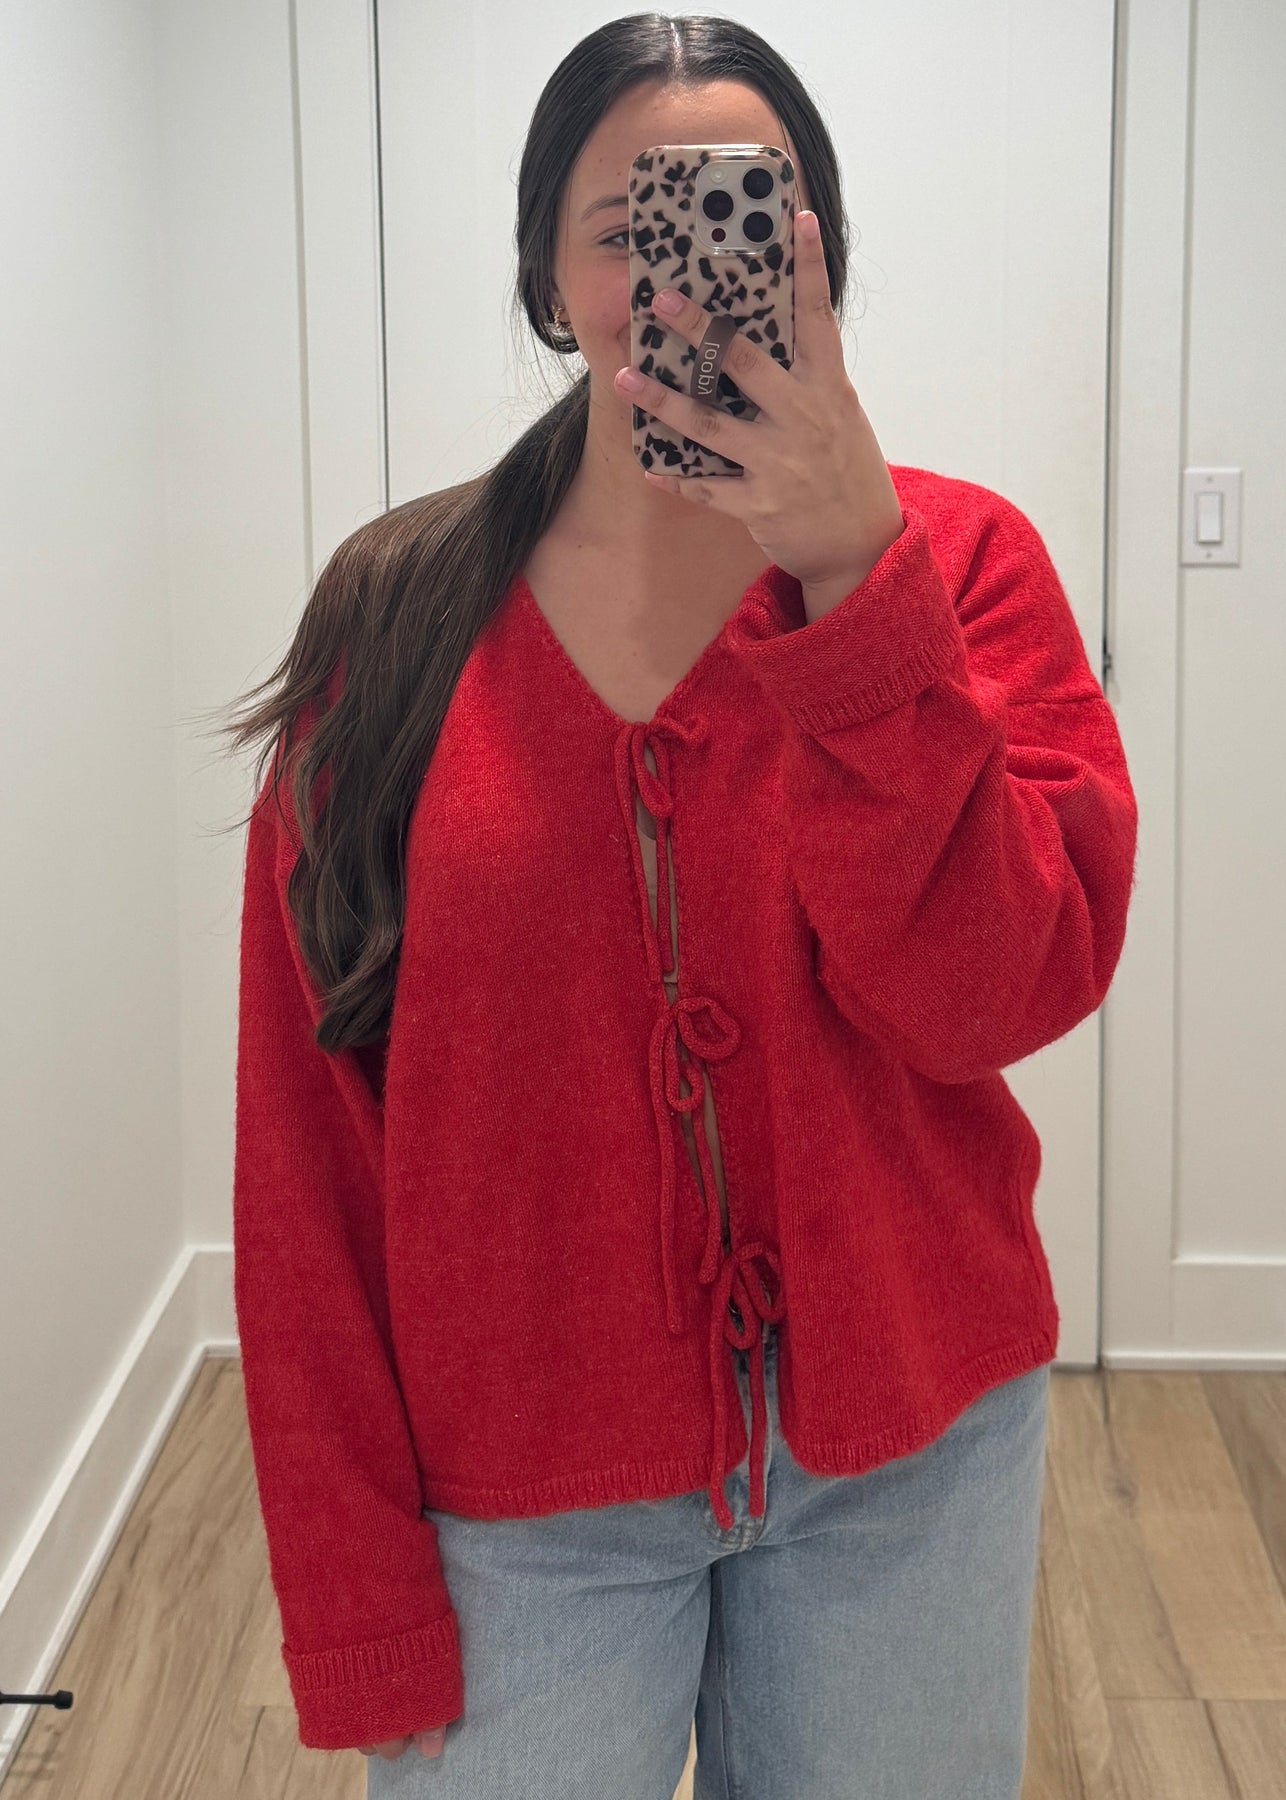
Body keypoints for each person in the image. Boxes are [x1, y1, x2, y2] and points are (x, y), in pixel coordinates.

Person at [218, 13, 1138, 1798]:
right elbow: (307, 1142)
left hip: (912, 1466)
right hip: (518, 1503)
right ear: (548, 278)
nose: (684, 271)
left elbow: (995, 996)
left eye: (738, 210)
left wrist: (857, 589)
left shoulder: (957, 568)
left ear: (816, 249)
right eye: (623, 225)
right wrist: (351, 1586)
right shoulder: (393, 626)